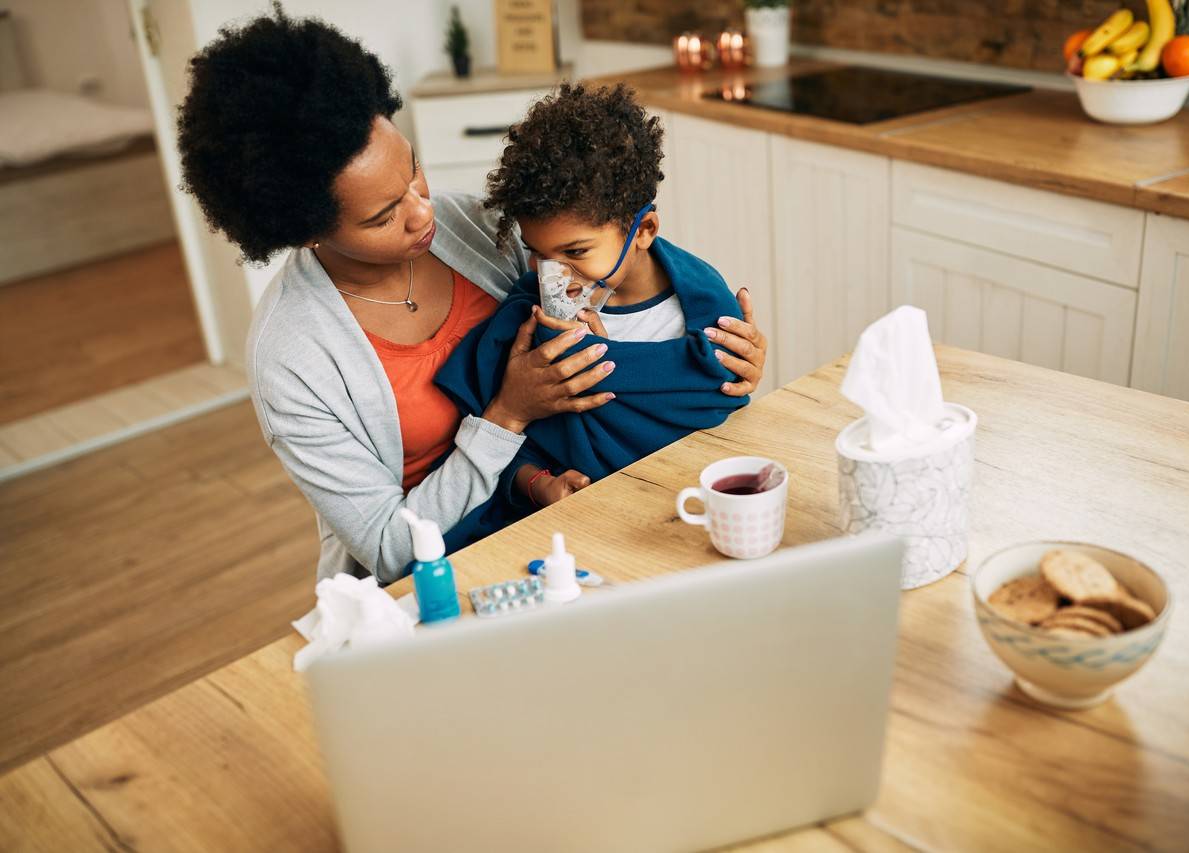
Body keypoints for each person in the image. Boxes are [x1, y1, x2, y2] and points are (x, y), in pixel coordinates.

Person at [174, 7, 768, 584]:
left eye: (412, 171)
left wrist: (721, 347)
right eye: (384, 216)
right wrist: (509, 413)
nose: (422, 213)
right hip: (439, 570)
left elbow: (615, 253)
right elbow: (389, 550)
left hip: (569, 512)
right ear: (304, 229)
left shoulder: (476, 226)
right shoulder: (292, 358)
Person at [436, 83, 748, 535]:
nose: (554, 277)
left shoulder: (705, 310)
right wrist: (539, 485)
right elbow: (499, 441)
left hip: (693, 517)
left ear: (644, 230)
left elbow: (730, 416)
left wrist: (612, 358)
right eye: (537, 254)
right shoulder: (526, 321)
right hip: (583, 532)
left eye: (576, 251)